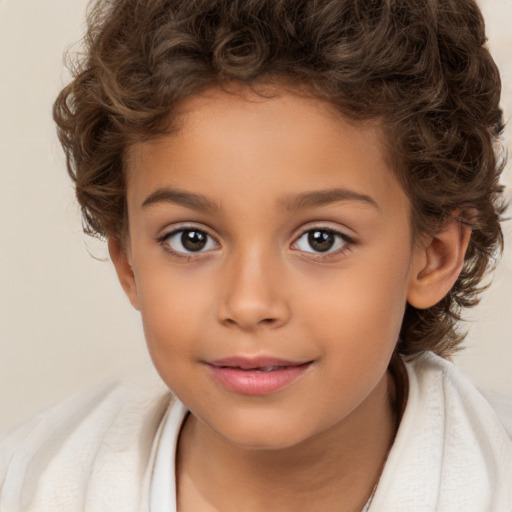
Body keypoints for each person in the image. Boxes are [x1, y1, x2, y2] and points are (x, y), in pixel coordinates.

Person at [1, 0, 511, 510]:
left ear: (434, 256)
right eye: (191, 239)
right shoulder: (33, 485)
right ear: (129, 261)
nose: (248, 303)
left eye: (321, 240)